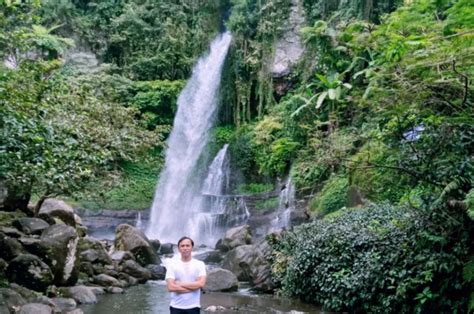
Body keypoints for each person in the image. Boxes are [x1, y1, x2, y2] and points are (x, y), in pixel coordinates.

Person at [165, 236, 206, 314]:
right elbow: (171, 287)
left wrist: (180, 284)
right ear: (179, 248)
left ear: (192, 247)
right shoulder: (172, 264)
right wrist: (194, 288)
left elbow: (201, 284)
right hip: (176, 307)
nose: (185, 248)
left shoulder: (199, 264)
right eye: (182, 246)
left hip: (194, 307)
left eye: (187, 245)